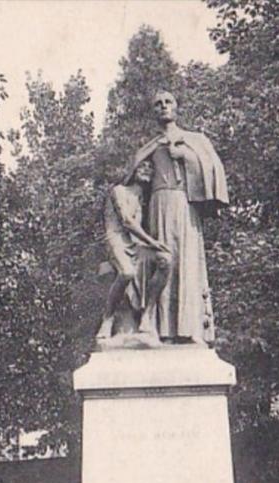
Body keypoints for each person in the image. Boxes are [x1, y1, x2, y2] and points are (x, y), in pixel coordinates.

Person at [125, 90, 229, 345]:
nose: (163, 107)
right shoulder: (150, 145)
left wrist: (186, 156)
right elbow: (131, 175)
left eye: (168, 102)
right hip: (159, 206)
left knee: (186, 261)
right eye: (158, 104)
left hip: (184, 204)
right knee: (163, 262)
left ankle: (189, 328)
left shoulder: (194, 139)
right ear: (153, 111)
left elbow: (214, 169)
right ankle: (162, 330)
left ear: (176, 107)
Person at [96, 159, 171, 341]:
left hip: (136, 244)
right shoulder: (119, 190)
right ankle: (108, 317)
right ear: (133, 170)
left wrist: (151, 245)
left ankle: (148, 314)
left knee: (165, 260)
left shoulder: (143, 200)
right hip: (117, 239)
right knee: (127, 273)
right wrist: (152, 242)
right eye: (142, 167)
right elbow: (127, 221)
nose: (146, 170)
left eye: (150, 168)